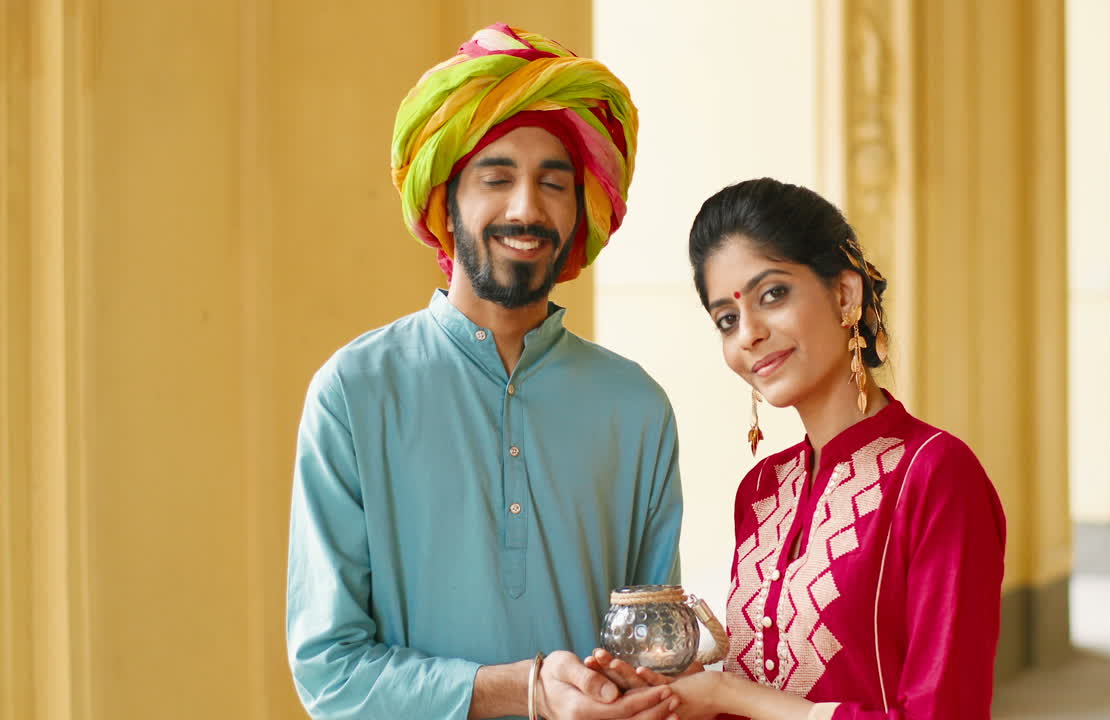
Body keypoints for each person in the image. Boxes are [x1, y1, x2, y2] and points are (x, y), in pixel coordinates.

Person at [286, 24, 685, 720]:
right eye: (496, 179)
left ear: (579, 211)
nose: (526, 208)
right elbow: (329, 672)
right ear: (446, 204)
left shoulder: (637, 407)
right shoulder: (354, 394)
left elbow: (656, 661)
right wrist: (523, 687)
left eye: (553, 184)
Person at [589, 178, 1006, 720]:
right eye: (727, 319)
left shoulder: (936, 474)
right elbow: (760, 693)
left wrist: (727, 694)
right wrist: (675, 693)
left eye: (773, 295)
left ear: (844, 294)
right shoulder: (762, 491)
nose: (749, 334)